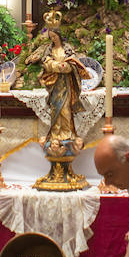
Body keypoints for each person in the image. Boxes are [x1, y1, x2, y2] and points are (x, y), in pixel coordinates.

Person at [27, 13, 87, 158]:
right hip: (54, 84)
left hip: (66, 84)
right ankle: (55, 132)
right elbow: (46, 63)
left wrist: (63, 66)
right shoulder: (49, 49)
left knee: (65, 109)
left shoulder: (67, 48)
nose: (53, 39)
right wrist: (57, 66)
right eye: (51, 37)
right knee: (56, 109)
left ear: (59, 36)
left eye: (54, 36)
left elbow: (73, 64)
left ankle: (66, 132)